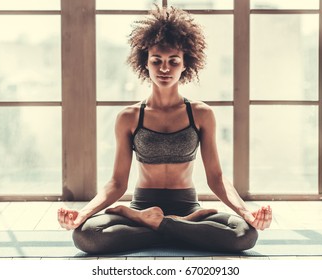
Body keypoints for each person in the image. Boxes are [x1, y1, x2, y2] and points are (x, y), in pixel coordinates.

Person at [58, 5, 272, 254]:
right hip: (142, 206)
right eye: (156, 61)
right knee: (86, 236)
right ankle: (176, 230)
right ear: (145, 63)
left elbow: (216, 178)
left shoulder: (201, 114)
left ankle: (161, 226)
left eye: (173, 61)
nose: (164, 68)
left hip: (189, 209)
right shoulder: (129, 117)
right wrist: (82, 214)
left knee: (244, 235)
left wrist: (246, 213)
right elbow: (117, 182)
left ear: (185, 65)